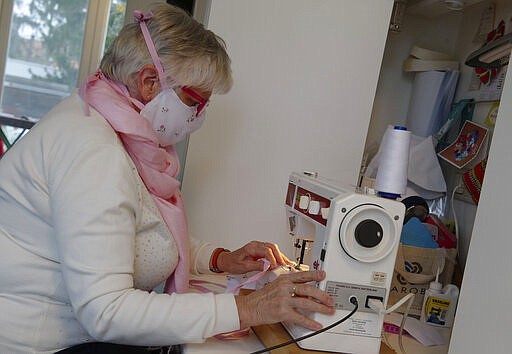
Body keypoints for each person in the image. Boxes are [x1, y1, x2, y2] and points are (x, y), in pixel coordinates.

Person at [0, 3, 335, 353]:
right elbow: (106, 311)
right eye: (195, 102)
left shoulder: (110, 122)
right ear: (148, 81)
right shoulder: (93, 152)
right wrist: (247, 308)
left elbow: (130, 229)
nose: (198, 117)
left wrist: (218, 258)